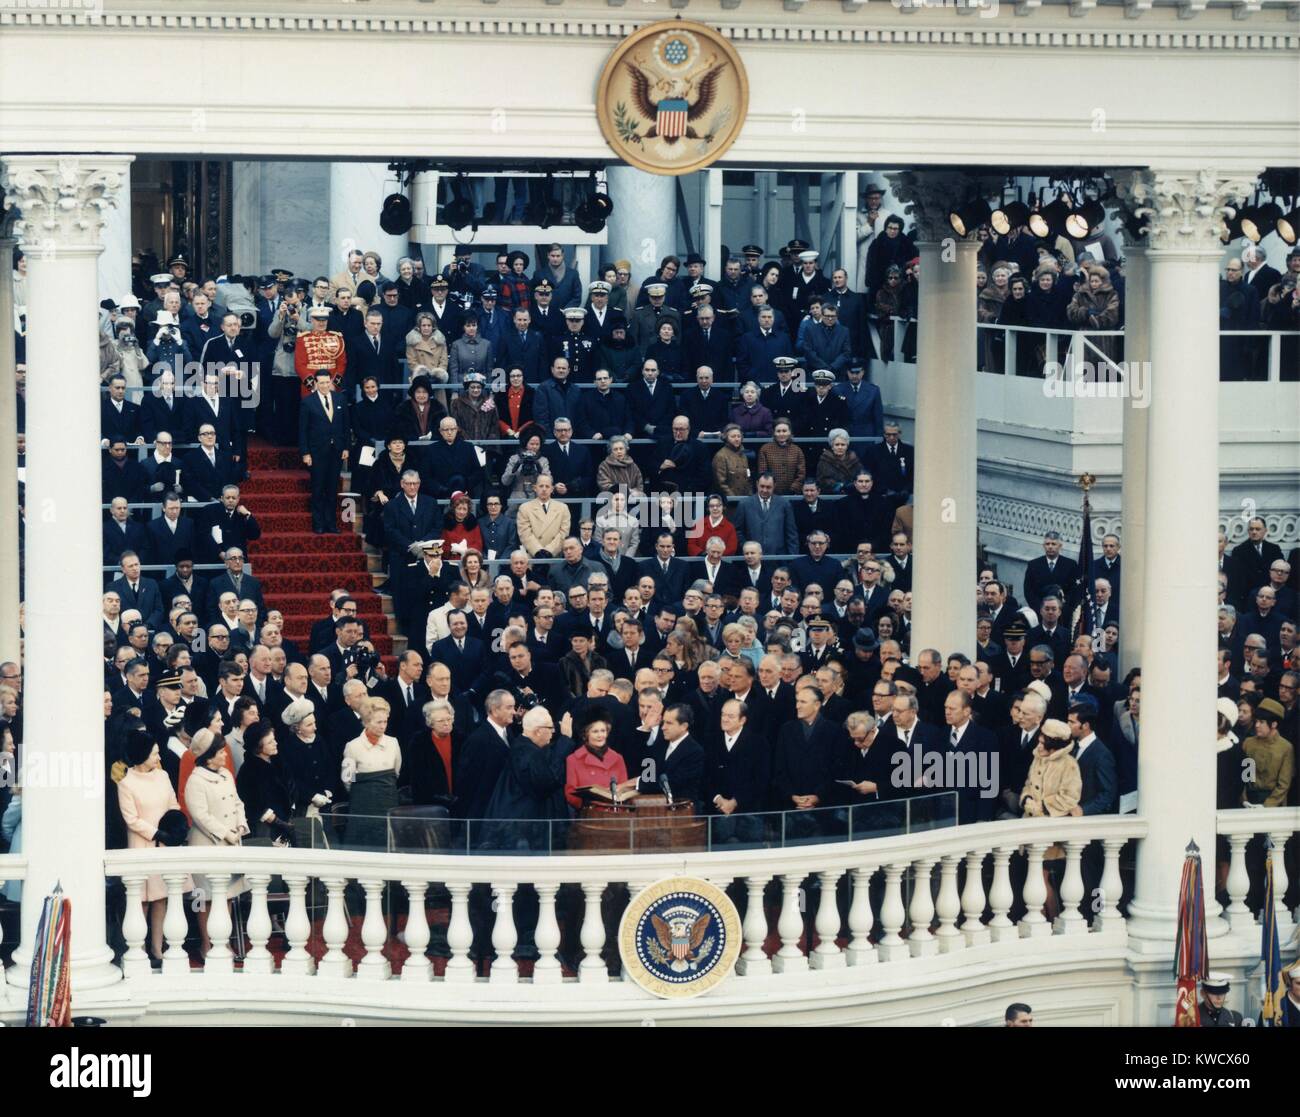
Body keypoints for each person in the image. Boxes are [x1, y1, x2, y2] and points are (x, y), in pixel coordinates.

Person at [117, 723, 190, 964]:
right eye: (154, 753)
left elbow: (173, 804)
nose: (158, 756)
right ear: (142, 755)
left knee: (161, 898)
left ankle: (157, 950)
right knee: (142, 901)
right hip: (143, 845)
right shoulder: (126, 783)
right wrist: (157, 833)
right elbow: (131, 819)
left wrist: (174, 828)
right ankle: (138, 950)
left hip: (166, 845)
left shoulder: (163, 775)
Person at [184, 727, 249, 956]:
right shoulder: (196, 780)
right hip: (206, 847)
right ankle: (206, 944)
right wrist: (226, 833)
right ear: (208, 755)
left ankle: (224, 942)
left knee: (227, 896)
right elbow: (201, 816)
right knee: (204, 898)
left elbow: (237, 802)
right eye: (220, 752)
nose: (225, 755)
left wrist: (241, 825)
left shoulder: (226, 775)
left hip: (230, 845)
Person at [341, 697, 402, 850]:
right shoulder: (352, 746)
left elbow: (397, 771)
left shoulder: (393, 743)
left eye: (385, 722)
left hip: (387, 803)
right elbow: (347, 780)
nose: (383, 726)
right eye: (378, 722)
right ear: (367, 722)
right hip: (362, 807)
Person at [298, 369, 348, 534]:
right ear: (316, 383)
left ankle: (331, 524)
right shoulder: (308, 402)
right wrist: (305, 453)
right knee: (318, 489)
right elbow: (302, 430)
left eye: (327, 382)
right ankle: (318, 524)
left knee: (332, 489)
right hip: (317, 453)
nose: (325, 385)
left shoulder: (340, 398)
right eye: (321, 383)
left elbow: (345, 426)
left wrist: (346, 447)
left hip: (336, 451)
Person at [564, 712, 628, 809]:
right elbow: (570, 792)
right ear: (586, 735)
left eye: (603, 731)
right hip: (590, 817)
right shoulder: (573, 759)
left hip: (615, 817)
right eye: (595, 731)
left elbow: (625, 789)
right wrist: (586, 805)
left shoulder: (618, 758)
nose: (600, 735)